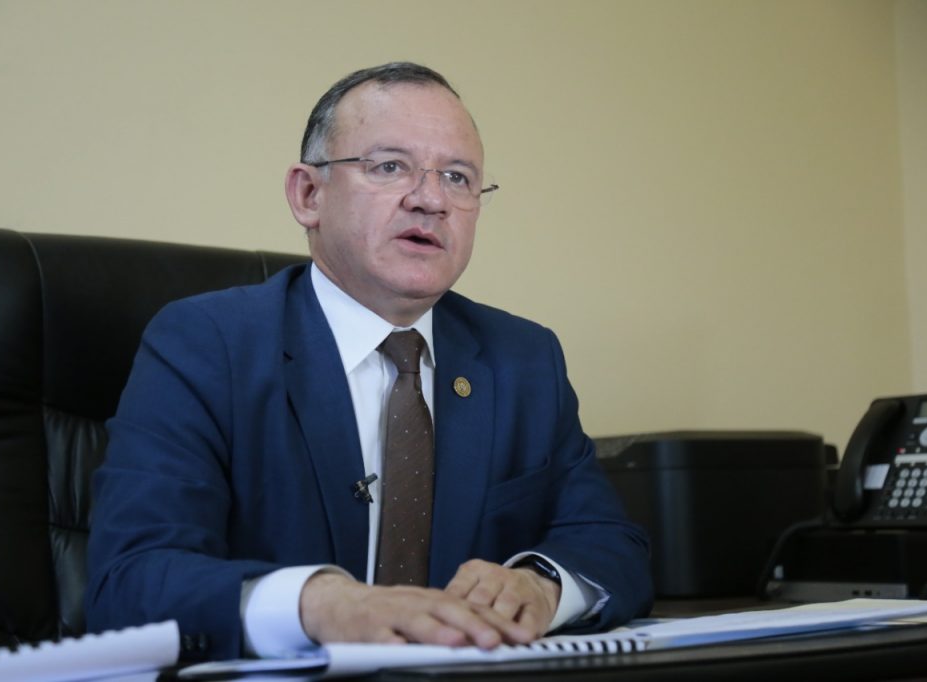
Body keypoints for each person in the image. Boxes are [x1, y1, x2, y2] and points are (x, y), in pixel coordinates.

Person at [85, 62, 653, 663]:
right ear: (309, 195)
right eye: (389, 167)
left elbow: (612, 545)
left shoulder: (523, 358)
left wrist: (540, 586)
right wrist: (323, 605)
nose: (431, 200)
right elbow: (130, 580)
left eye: (457, 177)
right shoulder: (206, 344)